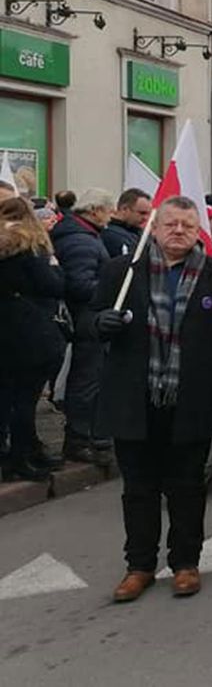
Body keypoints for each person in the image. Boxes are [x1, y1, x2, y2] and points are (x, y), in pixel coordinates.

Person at [88, 197, 212, 601]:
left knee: (187, 487)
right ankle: (139, 565)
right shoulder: (120, 272)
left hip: (191, 401)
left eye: (188, 226)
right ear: (154, 229)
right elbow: (91, 323)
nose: (179, 231)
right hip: (135, 400)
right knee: (138, 489)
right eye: (171, 224)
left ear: (200, 233)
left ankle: (185, 563)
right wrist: (100, 323)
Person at [0, 198, 66, 481]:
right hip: (29, 328)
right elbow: (53, 285)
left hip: (5, 328)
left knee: (8, 396)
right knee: (25, 399)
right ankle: (22, 457)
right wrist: (55, 267)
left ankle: (10, 456)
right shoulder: (31, 247)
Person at [50, 187, 112, 465]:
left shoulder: (80, 234)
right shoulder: (82, 241)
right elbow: (79, 285)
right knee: (85, 381)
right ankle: (77, 439)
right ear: (95, 211)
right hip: (86, 319)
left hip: (85, 318)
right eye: (108, 211)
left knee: (87, 380)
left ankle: (83, 436)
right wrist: (111, 287)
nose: (110, 217)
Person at [100, 188, 151, 259]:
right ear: (124, 209)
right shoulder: (110, 234)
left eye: (148, 214)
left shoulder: (141, 234)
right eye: (142, 213)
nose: (146, 218)